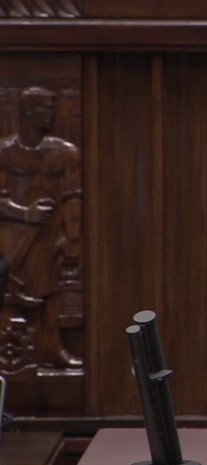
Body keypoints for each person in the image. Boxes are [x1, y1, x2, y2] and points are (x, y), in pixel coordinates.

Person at [0, 86, 82, 370]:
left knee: (53, 290)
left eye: (51, 108)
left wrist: (73, 236)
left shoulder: (65, 153)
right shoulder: (4, 153)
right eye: (43, 108)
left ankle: (51, 347)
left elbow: (73, 197)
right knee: (9, 291)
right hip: (12, 236)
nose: (50, 114)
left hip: (49, 234)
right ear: (26, 112)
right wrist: (25, 213)